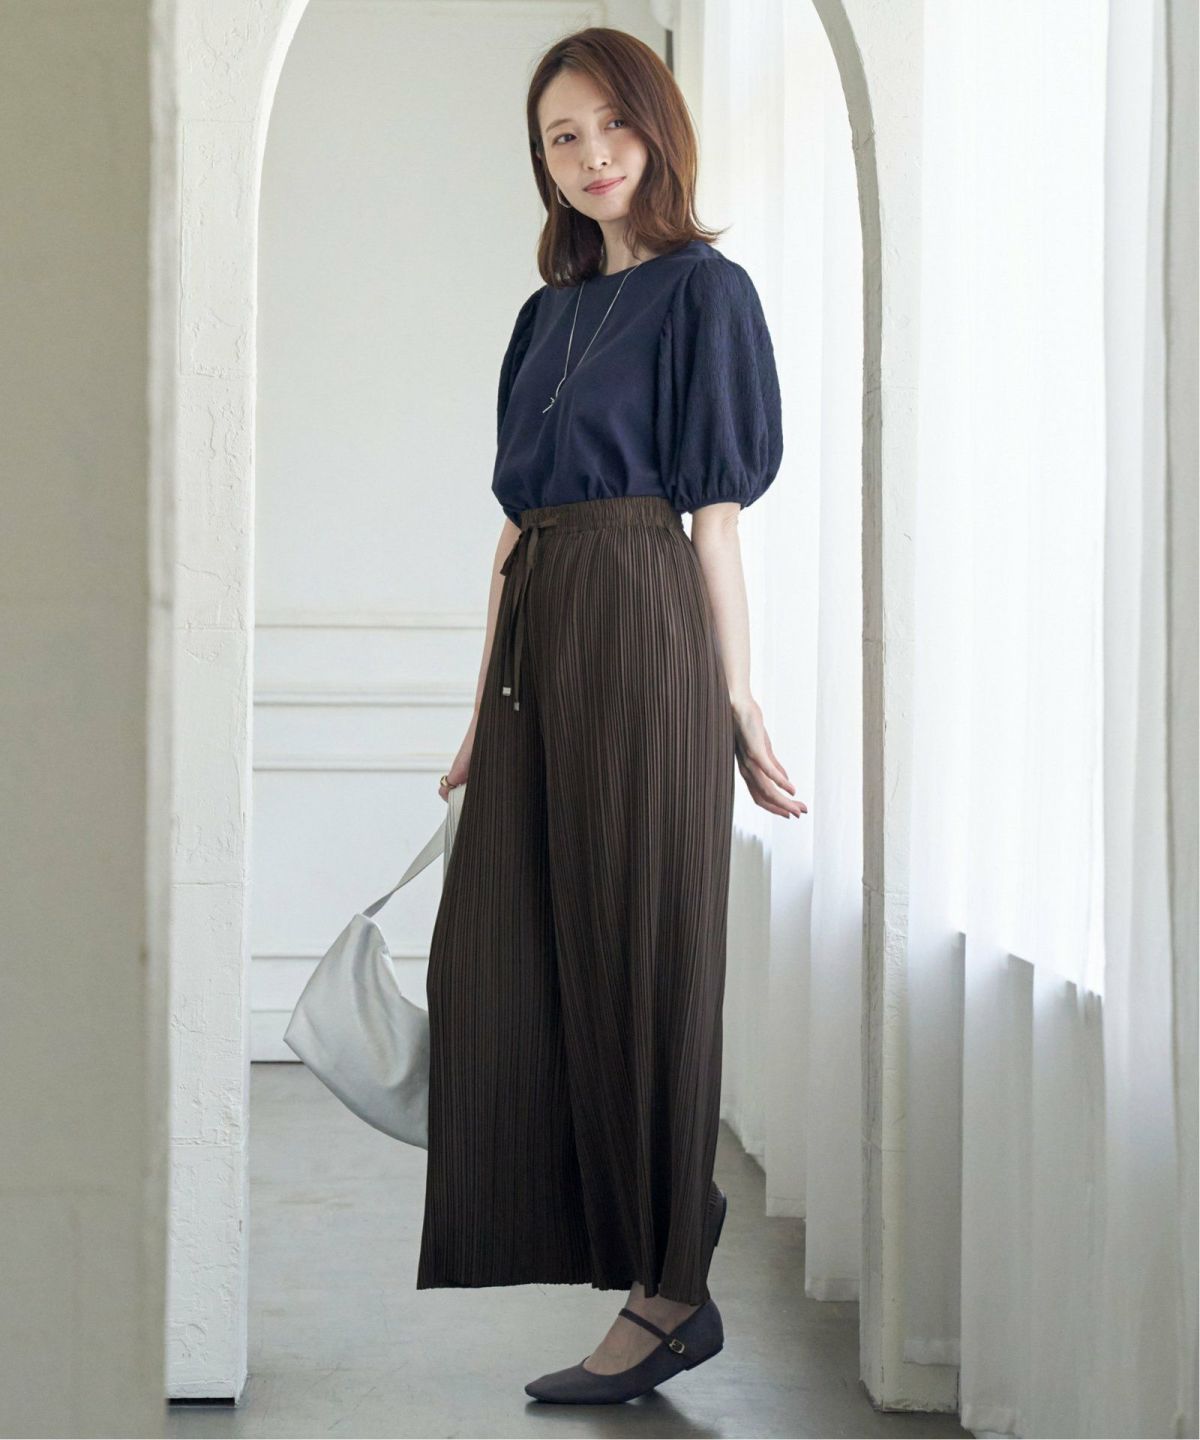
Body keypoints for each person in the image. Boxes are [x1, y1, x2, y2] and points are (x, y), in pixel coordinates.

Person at [415, 24, 806, 1405]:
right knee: (518, 950)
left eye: (612, 127)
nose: (591, 157)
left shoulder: (708, 293)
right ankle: (655, 1225)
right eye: (561, 138)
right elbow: (515, 532)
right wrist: (481, 709)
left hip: (646, 623)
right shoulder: (545, 318)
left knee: (648, 948)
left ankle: (669, 1293)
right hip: (540, 640)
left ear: (659, 127)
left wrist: (736, 695)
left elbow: (716, 521)